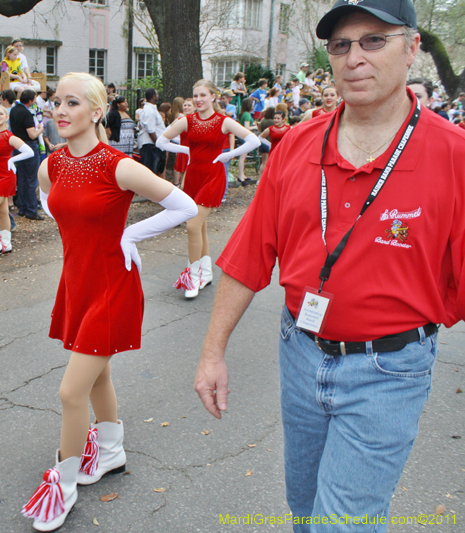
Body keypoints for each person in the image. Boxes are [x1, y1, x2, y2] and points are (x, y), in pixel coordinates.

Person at [194, 2, 465, 532]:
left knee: (341, 525)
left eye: (373, 41)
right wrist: (212, 352)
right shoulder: (297, 144)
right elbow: (250, 255)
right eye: (341, 45)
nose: (354, 58)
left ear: (411, 49)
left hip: (389, 370)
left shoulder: (453, 155)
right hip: (300, 352)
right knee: (304, 509)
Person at [22, 72, 197, 532]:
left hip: (111, 286)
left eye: (72, 103)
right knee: (98, 374)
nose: (59, 110)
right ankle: (112, 450)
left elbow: (185, 206)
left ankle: (63, 483)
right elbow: (49, 200)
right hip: (76, 281)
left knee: (70, 391)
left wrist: (129, 233)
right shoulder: (53, 164)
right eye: (55, 102)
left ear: (97, 112)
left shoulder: (117, 164)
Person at [156, 79, 260, 299]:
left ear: (213, 96)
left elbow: (253, 141)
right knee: (199, 225)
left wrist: (227, 155)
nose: (198, 100)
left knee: (193, 225)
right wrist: (185, 149)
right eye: (195, 96)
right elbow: (161, 141)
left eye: (203, 95)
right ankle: (206, 272)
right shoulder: (188, 120)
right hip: (192, 178)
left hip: (213, 177)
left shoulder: (223, 121)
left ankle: (192, 277)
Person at [0, 106, 34, 259]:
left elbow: (29, 151)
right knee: (3, 211)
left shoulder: (9, 136)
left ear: (6, 117)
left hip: (4, 176)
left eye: (1, 114)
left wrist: (12, 159)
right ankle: (6, 243)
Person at [9, 89, 44, 220]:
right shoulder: (26, 113)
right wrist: (40, 129)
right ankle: (31, 209)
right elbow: (32, 134)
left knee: (22, 177)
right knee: (31, 179)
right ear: (30, 101)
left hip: (17, 145)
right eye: (34, 98)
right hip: (29, 145)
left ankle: (22, 207)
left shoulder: (14, 110)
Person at [137, 88, 165, 174]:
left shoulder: (150, 109)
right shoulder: (150, 111)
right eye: (157, 94)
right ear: (153, 96)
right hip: (150, 145)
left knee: (154, 170)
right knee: (150, 171)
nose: (158, 96)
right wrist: (156, 142)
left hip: (152, 144)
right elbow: (150, 129)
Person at [173, 99, 195, 188]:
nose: (186, 107)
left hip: (194, 153)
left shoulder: (198, 120)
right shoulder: (179, 120)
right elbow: (166, 133)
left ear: (195, 107)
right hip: (183, 152)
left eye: (189, 105)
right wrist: (179, 144)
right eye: (185, 105)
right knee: (184, 182)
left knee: (191, 180)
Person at [236, 97, 257, 185]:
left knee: (243, 157)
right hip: (246, 137)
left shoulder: (243, 113)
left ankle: (243, 174)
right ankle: (241, 176)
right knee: (243, 157)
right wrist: (255, 127)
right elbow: (247, 127)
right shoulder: (247, 114)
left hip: (242, 136)